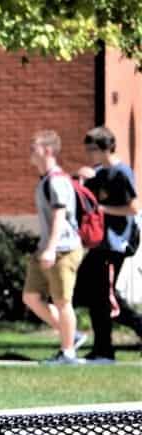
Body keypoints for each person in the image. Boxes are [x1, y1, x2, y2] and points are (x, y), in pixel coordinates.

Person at [73, 125, 142, 363]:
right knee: (92, 294)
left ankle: (105, 349)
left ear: (105, 148)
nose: (88, 154)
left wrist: (104, 210)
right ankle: (102, 348)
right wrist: (81, 179)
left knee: (106, 298)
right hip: (99, 244)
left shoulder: (122, 172)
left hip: (115, 244)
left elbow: (133, 207)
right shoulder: (99, 173)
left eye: (91, 149)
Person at [21, 129, 86, 365]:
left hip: (63, 249)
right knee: (30, 296)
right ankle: (72, 335)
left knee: (62, 301)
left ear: (48, 150)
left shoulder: (57, 180)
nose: (30, 150)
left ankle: (68, 353)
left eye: (34, 146)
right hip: (47, 248)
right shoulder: (46, 180)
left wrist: (50, 248)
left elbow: (60, 216)